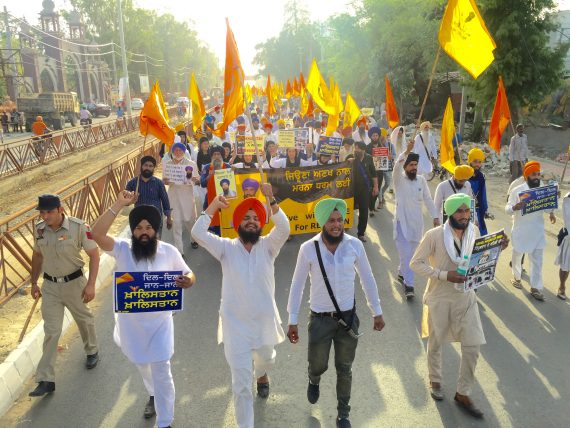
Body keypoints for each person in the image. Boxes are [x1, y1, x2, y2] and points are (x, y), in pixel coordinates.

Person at [91, 193, 195, 428]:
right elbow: (96, 235)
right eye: (138, 228)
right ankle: (153, 394)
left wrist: (189, 280)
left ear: (156, 230)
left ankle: (165, 420)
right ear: (133, 232)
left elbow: (188, 272)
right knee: (144, 366)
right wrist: (119, 204)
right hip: (132, 328)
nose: (144, 232)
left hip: (161, 324)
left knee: (161, 369)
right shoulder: (123, 249)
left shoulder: (168, 251)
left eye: (148, 227)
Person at [191, 185, 290, 428]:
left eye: (256, 218)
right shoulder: (226, 247)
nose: (251, 221)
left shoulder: (269, 246)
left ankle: (262, 372)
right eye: (246, 217)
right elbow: (197, 233)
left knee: (267, 359)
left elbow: (285, 227)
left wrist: (271, 198)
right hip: (235, 326)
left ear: (261, 224)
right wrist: (214, 205)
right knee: (241, 386)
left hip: (264, 321)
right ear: (238, 223)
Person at [287, 198, 385, 428]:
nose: (337, 225)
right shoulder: (308, 248)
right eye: (331, 220)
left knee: (345, 368)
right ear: (322, 222)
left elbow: (367, 279)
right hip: (320, 320)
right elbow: (297, 284)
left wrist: (376, 311)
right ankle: (314, 378)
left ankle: (343, 413)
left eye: (340, 220)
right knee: (318, 364)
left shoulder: (354, 245)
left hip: (348, 320)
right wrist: (292, 320)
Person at [410, 194, 507, 419]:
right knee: (435, 343)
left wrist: (498, 248)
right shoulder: (434, 235)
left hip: (466, 298)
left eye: (467, 211)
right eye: (460, 211)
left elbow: (481, 257)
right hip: (439, 298)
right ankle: (435, 380)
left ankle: (463, 393)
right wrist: (444, 275)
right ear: (449, 213)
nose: (464, 216)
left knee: (473, 347)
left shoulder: (473, 231)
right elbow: (415, 263)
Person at [29, 194, 100, 397]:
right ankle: (46, 379)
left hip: (75, 284)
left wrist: (91, 284)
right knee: (51, 331)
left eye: (49, 211)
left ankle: (92, 350)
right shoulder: (40, 230)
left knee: (84, 320)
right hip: (50, 286)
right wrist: (34, 282)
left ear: (60, 210)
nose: (45, 215)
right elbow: (37, 255)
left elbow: (94, 255)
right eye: (42, 212)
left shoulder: (79, 227)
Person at [393, 141, 439, 299]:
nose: (414, 167)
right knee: (407, 256)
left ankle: (401, 272)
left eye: (416, 164)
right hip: (401, 225)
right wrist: (406, 151)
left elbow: (428, 199)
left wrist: (435, 216)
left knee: (411, 255)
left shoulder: (421, 180)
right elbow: (397, 166)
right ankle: (409, 285)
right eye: (411, 164)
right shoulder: (398, 179)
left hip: (416, 225)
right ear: (405, 165)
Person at [505, 161, 556, 301]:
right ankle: (516, 277)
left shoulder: (543, 189)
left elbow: (546, 209)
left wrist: (553, 202)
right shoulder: (517, 190)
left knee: (537, 260)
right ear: (527, 175)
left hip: (538, 231)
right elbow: (507, 209)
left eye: (538, 174)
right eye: (534, 174)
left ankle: (535, 287)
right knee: (517, 255)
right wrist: (515, 207)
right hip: (521, 230)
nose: (537, 177)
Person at [163, 142, 200, 254]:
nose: (178, 152)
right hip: (174, 197)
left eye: (180, 150)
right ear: (172, 152)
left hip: (187, 197)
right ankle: (179, 252)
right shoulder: (168, 164)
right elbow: (164, 180)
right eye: (175, 150)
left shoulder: (191, 164)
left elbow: (197, 179)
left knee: (190, 220)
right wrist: (165, 181)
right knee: (176, 224)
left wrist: (194, 180)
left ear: (184, 152)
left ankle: (193, 239)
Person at [126, 156, 172, 235]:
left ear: (154, 168)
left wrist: (169, 218)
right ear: (141, 167)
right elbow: (125, 202)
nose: (148, 168)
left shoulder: (158, 183)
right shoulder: (132, 183)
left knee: (155, 245)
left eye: (150, 166)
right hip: (139, 221)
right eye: (146, 165)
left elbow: (165, 201)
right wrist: (131, 200)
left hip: (155, 219)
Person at [352, 141, 378, 242]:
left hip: (365, 189)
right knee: (348, 208)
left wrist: (376, 187)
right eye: (355, 148)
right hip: (352, 189)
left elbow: (373, 173)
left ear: (363, 150)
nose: (356, 150)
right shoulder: (351, 158)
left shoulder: (369, 158)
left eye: (358, 148)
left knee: (364, 211)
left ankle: (361, 233)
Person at [467, 148, 491, 235]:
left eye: (479, 162)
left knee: (481, 234)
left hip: (478, 209)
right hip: (465, 209)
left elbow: (483, 194)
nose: (477, 164)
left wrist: (485, 209)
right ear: (470, 162)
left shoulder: (481, 177)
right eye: (475, 161)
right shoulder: (464, 175)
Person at [555, 192, 570, 300]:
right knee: (566, 264)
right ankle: (562, 286)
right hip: (569, 237)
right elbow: (568, 219)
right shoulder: (568, 198)